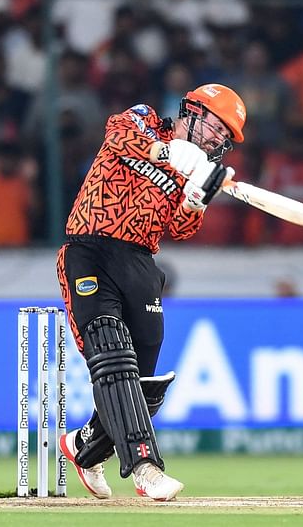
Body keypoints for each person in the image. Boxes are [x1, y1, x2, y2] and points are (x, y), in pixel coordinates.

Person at [56, 83, 246, 501]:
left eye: (225, 138)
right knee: (111, 352)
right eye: (217, 126)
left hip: (141, 263)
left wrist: (196, 199)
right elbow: (116, 137)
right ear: (192, 112)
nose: (218, 139)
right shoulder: (143, 119)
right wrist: (164, 152)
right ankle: (145, 468)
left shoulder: (196, 170)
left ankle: (85, 448)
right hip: (90, 248)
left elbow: (179, 228)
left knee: (141, 381)